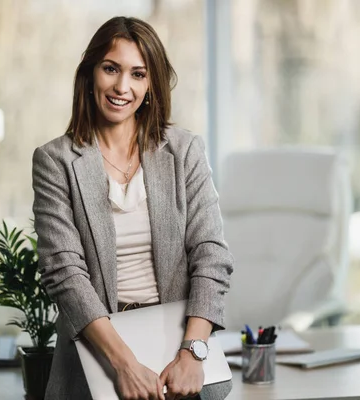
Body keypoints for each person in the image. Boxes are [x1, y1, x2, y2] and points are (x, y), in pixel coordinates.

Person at [32, 16, 234, 400]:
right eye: (111, 69)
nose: (122, 87)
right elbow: (64, 272)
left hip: (178, 355)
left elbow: (211, 254)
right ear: (91, 73)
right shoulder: (55, 160)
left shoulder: (184, 151)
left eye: (138, 74)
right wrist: (124, 365)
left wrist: (193, 352)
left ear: (151, 86)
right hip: (97, 353)